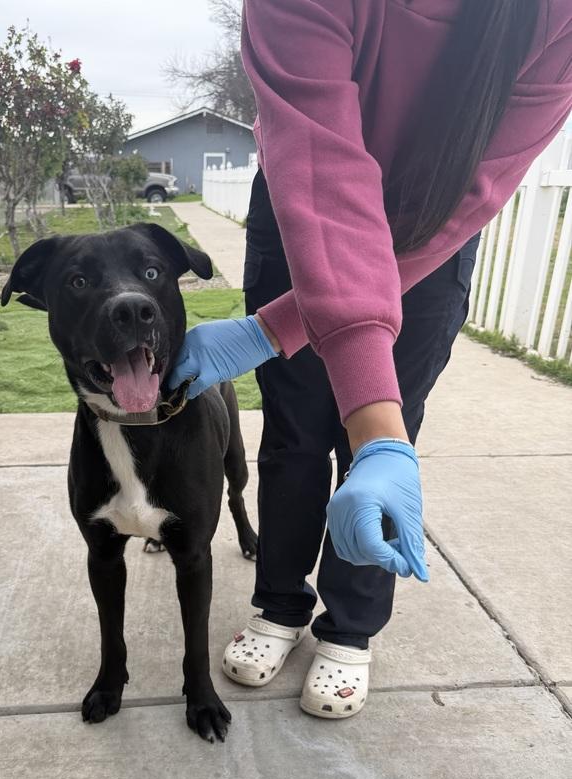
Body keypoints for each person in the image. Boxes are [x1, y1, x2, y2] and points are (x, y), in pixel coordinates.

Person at [167, 0, 572, 718]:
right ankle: (281, 604)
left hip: (433, 239)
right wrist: (283, 329)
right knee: (293, 432)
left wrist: (281, 336)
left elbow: (473, 191)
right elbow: (321, 167)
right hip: (300, 209)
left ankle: (350, 628)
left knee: (381, 453)